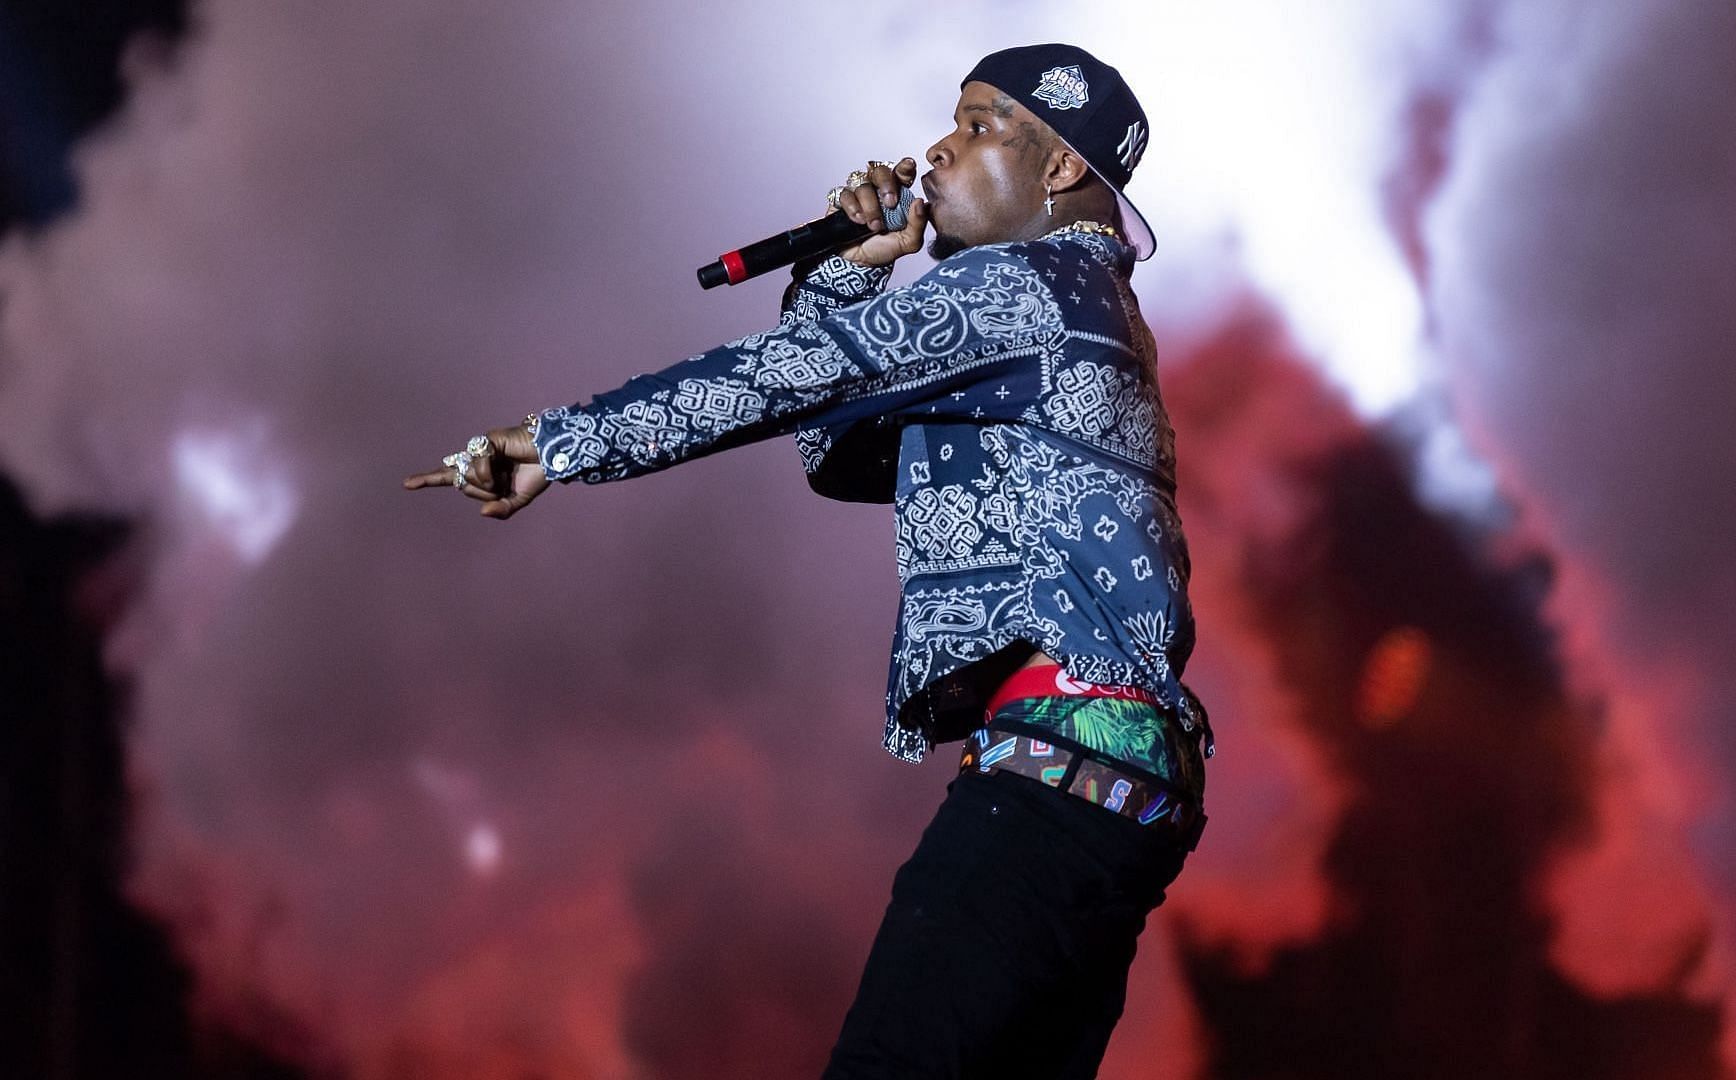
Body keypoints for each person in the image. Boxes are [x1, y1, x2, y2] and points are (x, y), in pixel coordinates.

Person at [403, 43, 1213, 1079]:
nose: (936, 152)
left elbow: (783, 379)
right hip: (1117, 793)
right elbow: (836, 448)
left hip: (1049, 780)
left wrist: (557, 442)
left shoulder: (1030, 288)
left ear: (1058, 170)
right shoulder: (1083, 317)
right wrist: (838, 273)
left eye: (977, 128)